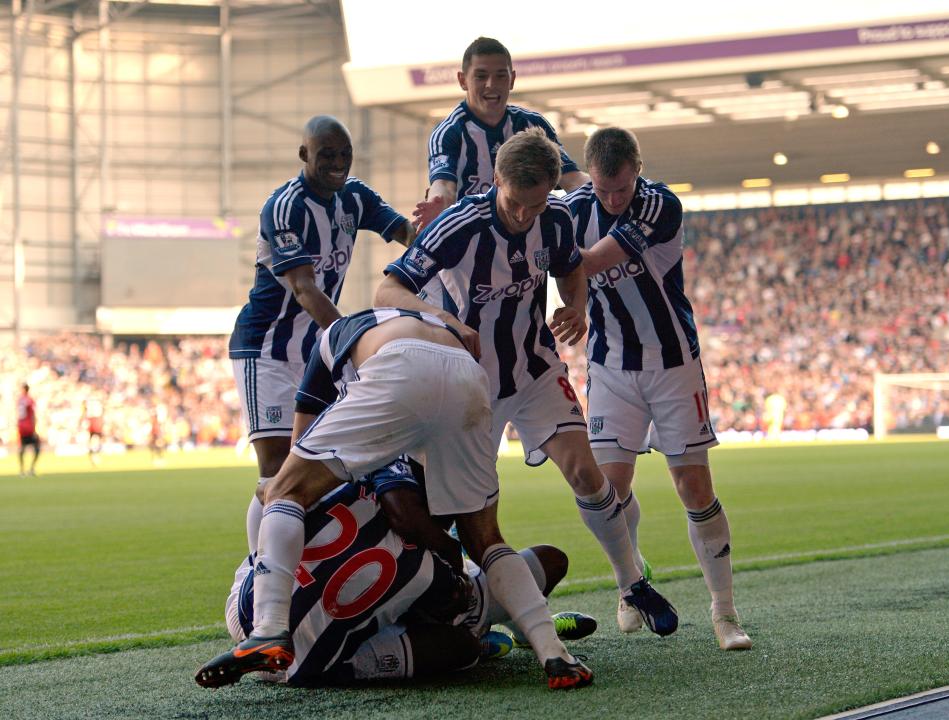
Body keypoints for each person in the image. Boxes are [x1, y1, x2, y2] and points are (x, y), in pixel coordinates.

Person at [376, 127, 678, 638]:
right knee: (464, 514)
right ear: (496, 179)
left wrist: (576, 306)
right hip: (469, 388)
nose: (524, 216)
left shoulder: (555, 217)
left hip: (535, 368)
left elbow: (570, 269)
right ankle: (466, 611)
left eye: (535, 206)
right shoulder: (458, 227)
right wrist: (443, 320)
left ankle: (631, 583)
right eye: (516, 204)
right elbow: (389, 290)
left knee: (587, 472)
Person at [198, 307, 593, 690]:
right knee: (488, 541)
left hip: (258, 617)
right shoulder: (422, 556)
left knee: (280, 488)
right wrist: (452, 559)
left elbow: (302, 439)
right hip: (467, 377)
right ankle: (552, 652)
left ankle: (269, 628)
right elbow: (407, 516)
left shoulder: (345, 343)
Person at [567, 126, 752, 650]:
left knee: (693, 487)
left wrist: (556, 264)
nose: (611, 199)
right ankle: (632, 582)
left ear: (638, 172)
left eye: (620, 189)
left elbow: (590, 261)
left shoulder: (659, 204)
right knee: (609, 487)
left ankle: (724, 613)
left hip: (673, 365)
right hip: (609, 365)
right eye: (602, 190)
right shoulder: (577, 205)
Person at [198, 456, 595, 688]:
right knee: (462, 647)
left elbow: (268, 493)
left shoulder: (352, 483)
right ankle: (513, 630)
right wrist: (449, 554)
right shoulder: (424, 569)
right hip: (310, 662)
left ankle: (263, 600)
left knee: (274, 496)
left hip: (248, 609)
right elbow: (445, 604)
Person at [228, 115, 417, 555]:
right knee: (276, 472)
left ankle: (308, 563)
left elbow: (405, 234)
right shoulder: (284, 207)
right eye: (327, 154)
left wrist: (438, 240)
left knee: (322, 466)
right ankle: (261, 575)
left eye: (344, 155)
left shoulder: (355, 197)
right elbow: (303, 288)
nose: (338, 163)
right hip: (267, 350)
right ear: (304, 155)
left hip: (315, 350)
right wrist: (350, 341)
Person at [413, 37, 588, 231]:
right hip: (475, 243)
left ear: (512, 79)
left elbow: (572, 180)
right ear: (463, 80)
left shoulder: (533, 124)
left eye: (500, 76)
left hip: (531, 239)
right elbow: (444, 186)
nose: (491, 84)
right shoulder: (449, 132)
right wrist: (438, 204)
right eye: (481, 76)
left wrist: (610, 188)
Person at [17, 383, 40, 477]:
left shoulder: (19, 400)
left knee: (22, 448)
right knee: (37, 448)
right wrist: (34, 428)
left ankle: (22, 470)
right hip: (29, 427)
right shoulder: (30, 400)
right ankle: (31, 469)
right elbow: (33, 415)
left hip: (21, 426)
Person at [82, 396, 105, 466]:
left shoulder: (92, 410)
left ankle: (95, 456)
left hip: (94, 424)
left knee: (95, 442)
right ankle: (94, 456)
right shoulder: (95, 412)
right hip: (94, 425)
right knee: (94, 442)